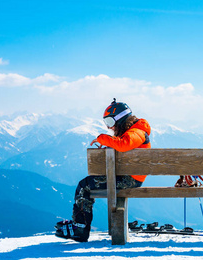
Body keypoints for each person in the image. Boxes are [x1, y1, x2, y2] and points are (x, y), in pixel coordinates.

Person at [55, 99, 151, 242]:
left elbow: (124, 145)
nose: (109, 127)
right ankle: (79, 226)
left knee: (84, 186)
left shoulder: (138, 131)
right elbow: (125, 147)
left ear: (120, 119)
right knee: (86, 184)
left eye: (110, 122)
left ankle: (80, 228)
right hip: (128, 177)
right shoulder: (134, 131)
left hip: (129, 180)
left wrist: (103, 139)